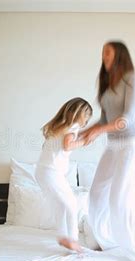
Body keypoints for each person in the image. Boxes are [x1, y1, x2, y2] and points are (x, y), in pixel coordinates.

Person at [81, 41, 135, 261]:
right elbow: (105, 120)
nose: (104, 56)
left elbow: (127, 119)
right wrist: (85, 132)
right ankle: (106, 241)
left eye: (108, 52)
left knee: (119, 199)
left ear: (119, 55)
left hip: (130, 145)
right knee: (96, 194)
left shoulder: (132, 77)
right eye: (102, 52)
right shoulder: (106, 83)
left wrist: (97, 131)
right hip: (113, 146)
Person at [35, 97, 92, 252]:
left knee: (61, 206)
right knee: (72, 205)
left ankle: (62, 237)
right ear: (80, 114)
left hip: (42, 171)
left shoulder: (57, 127)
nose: (86, 121)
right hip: (52, 173)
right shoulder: (72, 127)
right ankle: (73, 242)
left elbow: (61, 144)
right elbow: (67, 146)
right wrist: (84, 142)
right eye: (87, 117)